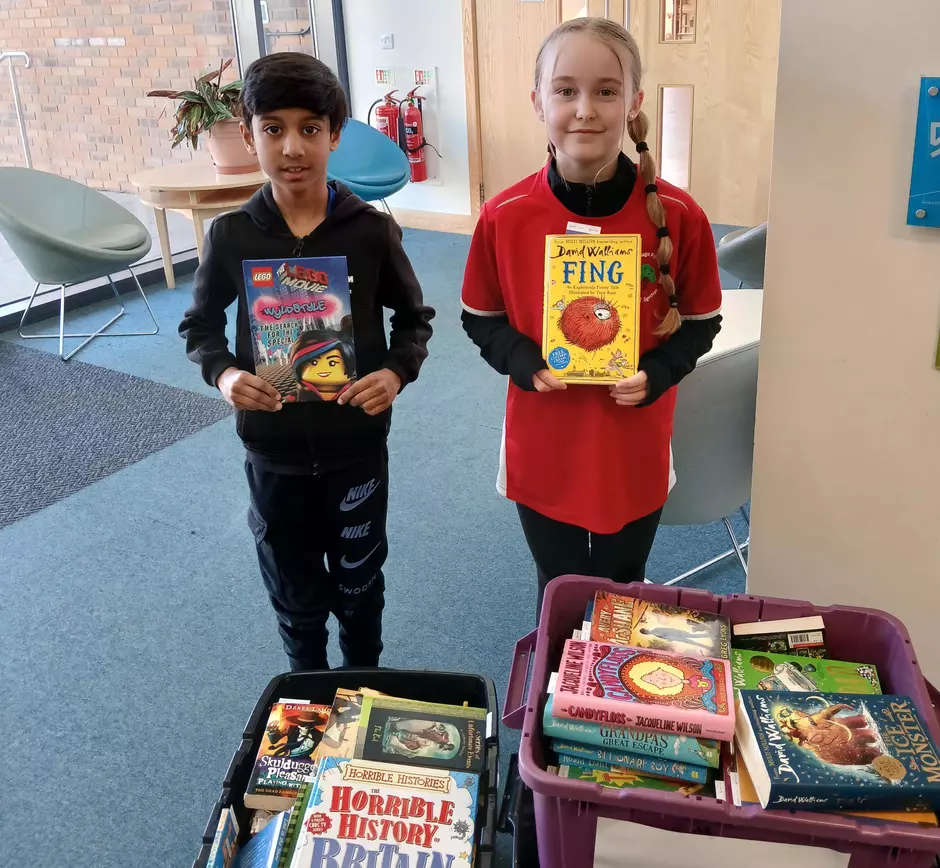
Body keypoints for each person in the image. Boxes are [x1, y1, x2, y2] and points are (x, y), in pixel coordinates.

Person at [179, 53, 434, 670]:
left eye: (310, 129)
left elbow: (415, 322)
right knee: (294, 597)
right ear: (248, 134)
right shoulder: (233, 235)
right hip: (274, 455)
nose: (292, 148)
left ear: (335, 135)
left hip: (356, 448)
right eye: (273, 129)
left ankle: (363, 686)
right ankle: (307, 697)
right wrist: (228, 374)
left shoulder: (371, 233)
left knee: (360, 589)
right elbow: (200, 326)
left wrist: (396, 372)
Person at [460, 18, 722, 616]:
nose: (585, 109)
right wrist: (523, 361)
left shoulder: (679, 215)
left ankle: (614, 705)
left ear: (634, 102)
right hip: (543, 441)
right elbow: (481, 315)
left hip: (630, 447)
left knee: (625, 592)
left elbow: (702, 321)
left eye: (606, 91)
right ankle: (555, 699)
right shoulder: (505, 215)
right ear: (538, 102)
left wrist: (658, 373)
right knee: (559, 590)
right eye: (565, 90)